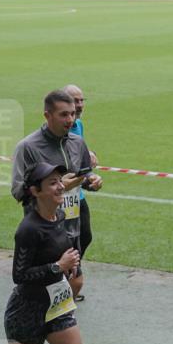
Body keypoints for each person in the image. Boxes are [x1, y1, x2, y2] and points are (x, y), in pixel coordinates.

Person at [11, 90, 102, 302]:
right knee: (42, 285)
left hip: (71, 224)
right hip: (42, 228)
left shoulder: (77, 143)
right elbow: (18, 191)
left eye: (72, 114)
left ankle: (58, 316)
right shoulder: (28, 147)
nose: (70, 119)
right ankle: (34, 316)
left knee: (74, 281)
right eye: (63, 115)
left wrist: (92, 181)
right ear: (47, 115)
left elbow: (83, 174)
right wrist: (56, 186)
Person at [5, 162, 83, 344]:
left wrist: (71, 262)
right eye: (52, 183)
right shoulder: (28, 229)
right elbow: (19, 275)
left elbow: (59, 247)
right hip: (27, 310)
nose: (61, 186)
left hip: (57, 305)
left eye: (60, 181)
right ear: (35, 191)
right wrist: (58, 266)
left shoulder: (59, 216)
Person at [64, 84, 97, 263]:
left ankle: (72, 270)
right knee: (64, 241)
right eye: (75, 101)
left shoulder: (79, 125)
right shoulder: (58, 128)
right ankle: (65, 272)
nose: (80, 105)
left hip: (77, 193)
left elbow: (80, 154)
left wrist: (91, 174)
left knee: (85, 236)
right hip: (61, 194)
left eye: (81, 100)